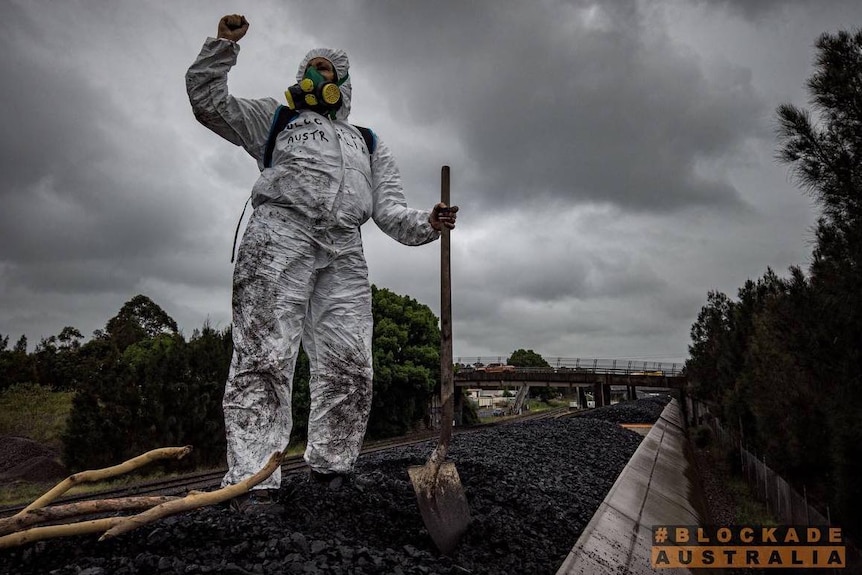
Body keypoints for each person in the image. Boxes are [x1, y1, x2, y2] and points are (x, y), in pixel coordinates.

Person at [186, 14, 458, 512]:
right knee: (265, 354)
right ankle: (253, 482)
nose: (316, 77)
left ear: (343, 85)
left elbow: (390, 212)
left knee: (350, 362)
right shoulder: (276, 119)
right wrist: (223, 46)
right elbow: (210, 104)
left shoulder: (367, 141)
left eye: (326, 70)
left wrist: (430, 221)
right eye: (309, 68)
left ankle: (331, 468)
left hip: (344, 249)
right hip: (279, 234)